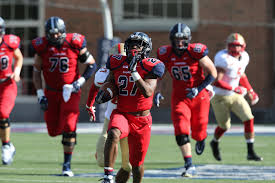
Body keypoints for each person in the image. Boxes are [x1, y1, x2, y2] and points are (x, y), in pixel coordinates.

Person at [32, 16, 97, 176]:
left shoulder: (73, 43)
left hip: (71, 91)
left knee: (69, 126)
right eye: (51, 34)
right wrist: (40, 94)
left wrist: (79, 82)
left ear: (62, 32)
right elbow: (36, 72)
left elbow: (91, 64)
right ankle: (70, 137)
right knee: (53, 131)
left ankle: (66, 165)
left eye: (57, 33)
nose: (54, 37)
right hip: (51, 92)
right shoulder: (42, 47)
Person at [96, 32, 165, 183]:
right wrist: (105, 92)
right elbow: (111, 82)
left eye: (138, 45)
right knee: (113, 133)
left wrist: (134, 72)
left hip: (142, 119)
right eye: (132, 44)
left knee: (136, 165)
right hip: (122, 113)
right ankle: (108, 176)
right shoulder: (117, 61)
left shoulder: (152, 65)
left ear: (146, 48)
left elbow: (147, 91)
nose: (134, 47)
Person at [155, 23, 217, 177]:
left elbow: (213, 73)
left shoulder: (195, 52)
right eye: (177, 39)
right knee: (181, 128)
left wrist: (199, 88)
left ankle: (201, 138)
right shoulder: (165, 53)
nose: (180, 43)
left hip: (199, 96)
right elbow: (159, 75)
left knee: (199, 129)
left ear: (188, 39)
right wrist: (157, 92)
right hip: (180, 97)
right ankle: (189, 164)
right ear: (172, 40)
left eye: (183, 39)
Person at [209, 33, 262, 161]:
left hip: (235, 95)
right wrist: (234, 88)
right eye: (232, 45)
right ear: (228, 46)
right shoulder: (223, 58)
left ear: (243, 46)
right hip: (220, 96)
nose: (235, 48)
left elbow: (241, 75)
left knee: (249, 118)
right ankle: (214, 142)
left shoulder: (244, 57)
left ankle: (250, 151)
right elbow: (216, 81)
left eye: (238, 46)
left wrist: (250, 90)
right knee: (225, 126)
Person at [86, 43, 132, 182]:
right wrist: (89, 105)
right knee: (102, 159)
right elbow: (94, 88)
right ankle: (108, 171)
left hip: (131, 116)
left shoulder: (137, 70)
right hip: (113, 114)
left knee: (128, 164)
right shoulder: (104, 73)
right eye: (118, 58)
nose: (121, 62)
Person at [0, 17, 23, 165]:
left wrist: (17, 71)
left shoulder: (9, 42)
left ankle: (7, 145)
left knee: (3, 113)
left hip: (7, 84)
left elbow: (19, 57)